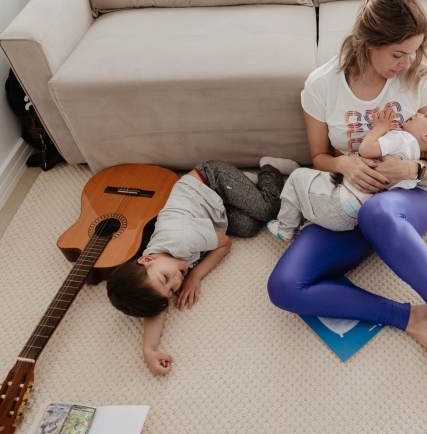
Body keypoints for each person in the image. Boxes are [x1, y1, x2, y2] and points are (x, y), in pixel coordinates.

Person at [267, 0, 427, 391]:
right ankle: (410, 317)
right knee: (283, 288)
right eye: (397, 54)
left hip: (403, 202)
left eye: (414, 52)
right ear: (369, 44)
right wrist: (344, 163)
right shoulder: (321, 86)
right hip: (346, 200)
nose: (407, 64)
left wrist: (414, 166)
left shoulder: (418, 74)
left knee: (378, 214)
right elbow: (317, 158)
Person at [107, 157, 298, 375]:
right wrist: (148, 350)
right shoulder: (156, 270)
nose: (177, 281)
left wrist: (195, 275)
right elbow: (156, 308)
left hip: (210, 180)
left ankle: (269, 167)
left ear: (147, 259)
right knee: (250, 228)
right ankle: (245, 188)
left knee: (268, 210)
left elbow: (225, 244)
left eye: (166, 279)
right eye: (171, 291)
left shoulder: (181, 239)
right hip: (214, 213)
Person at [267, 106, 427, 240]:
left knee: (295, 180)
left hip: (336, 204)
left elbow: (367, 149)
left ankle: (285, 229)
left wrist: (381, 127)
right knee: (313, 180)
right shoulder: (413, 164)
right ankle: (298, 182)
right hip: (353, 218)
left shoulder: (403, 139)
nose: (419, 113)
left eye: (426, 116)